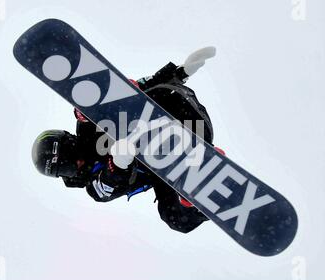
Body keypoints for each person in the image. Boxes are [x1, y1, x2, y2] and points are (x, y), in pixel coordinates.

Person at [32, 47, 225, 233]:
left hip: (174, 108)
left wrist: (181, 72)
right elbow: (108, 185)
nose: (77, 163)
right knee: (175, 220)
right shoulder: (94, 187)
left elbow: (121, 95)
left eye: (70, 156)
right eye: (67, 168)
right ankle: (196, 189)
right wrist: (119, 165)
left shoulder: (86, 128)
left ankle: (138, 108)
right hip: (169, 159)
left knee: (113, 105)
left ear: (71, 141)